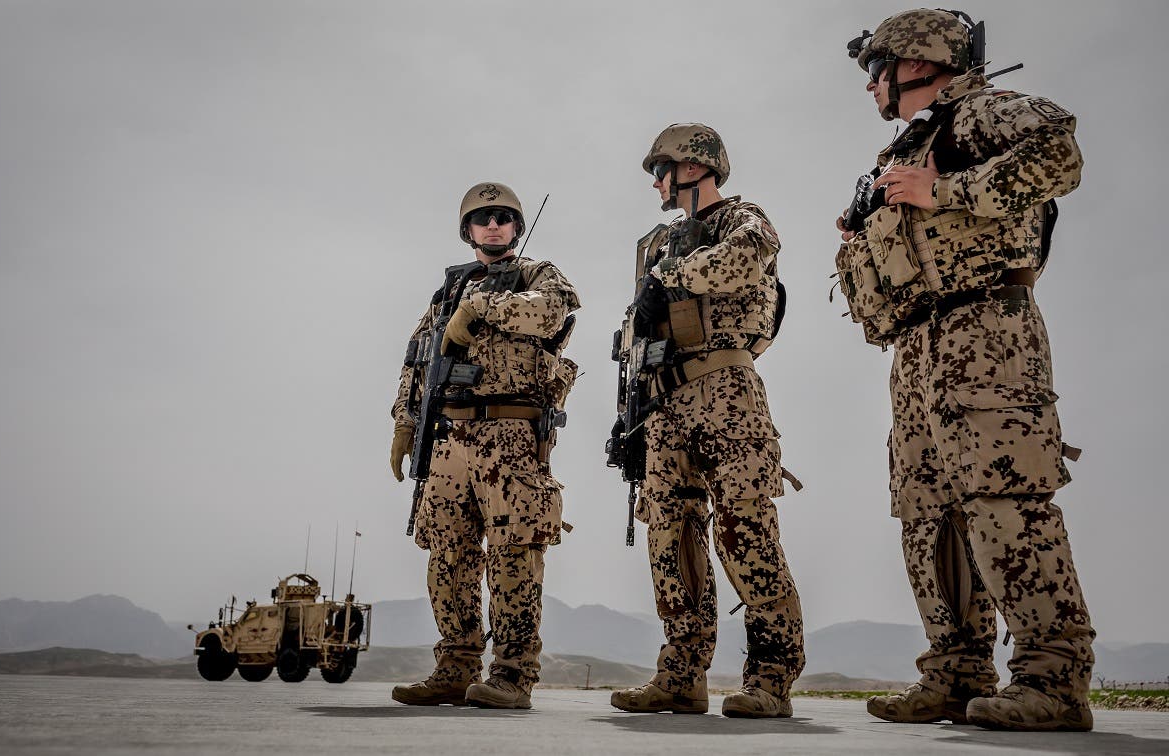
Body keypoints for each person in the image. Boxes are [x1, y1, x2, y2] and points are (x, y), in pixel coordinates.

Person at [834, 8, 1095, 731]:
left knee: (1004, 497)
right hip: (919, 349)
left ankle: (1054, 677)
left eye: (874, 72)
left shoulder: (980, 115)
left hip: (987, 332)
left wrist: (942, 193)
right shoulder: (909, 148)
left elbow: (1058, 150)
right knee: (927, 515)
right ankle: (955, 670)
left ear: (915, 62)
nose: (870, 89)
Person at [609, 123, 804, 718]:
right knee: (670, 539)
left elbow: (742, 264)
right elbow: (637, 330)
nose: (655, 183)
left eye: (658, 170)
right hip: (665, 404)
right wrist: (629, 414)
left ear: (692, 167)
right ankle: (682, 673)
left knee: (745, 531)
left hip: (727, 391)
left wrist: (666, 281)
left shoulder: (744, 220)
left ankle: (770, 679)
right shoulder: (657, 244)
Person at [388, 181, 579, 709]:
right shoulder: (446, 291)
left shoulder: (536, 274)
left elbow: (552, 311)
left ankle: (513, 674)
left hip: (510, 433)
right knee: (447, 553)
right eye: (482, 217)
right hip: (450, 436)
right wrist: (404, 423)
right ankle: (455, 664)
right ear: (467, 230)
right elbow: (417, 359)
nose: (493, 224)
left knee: (514, 554)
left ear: (516, 226)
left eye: (502, 216)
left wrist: (481, 309)